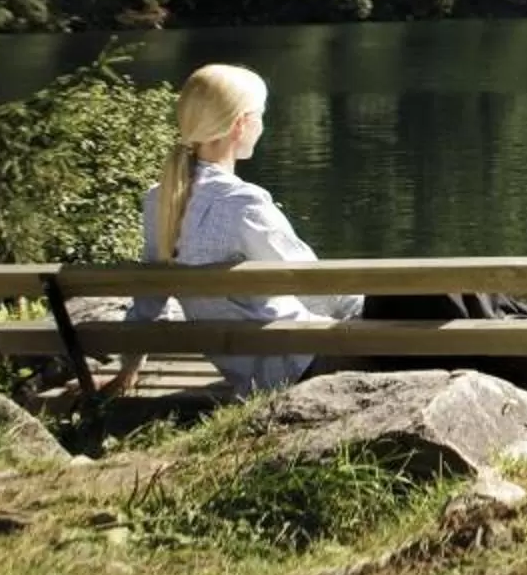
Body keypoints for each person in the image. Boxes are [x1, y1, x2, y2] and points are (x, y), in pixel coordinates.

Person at [114, 64, 360, 397]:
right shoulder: (242, 203)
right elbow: (316, 288)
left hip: (248, 371)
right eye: (259, 115)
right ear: (241, 124)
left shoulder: (159, 199)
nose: (261, 125)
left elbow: (149, 300)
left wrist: (129, 368)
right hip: (303, 363)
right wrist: (369, 315)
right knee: (436, 302)